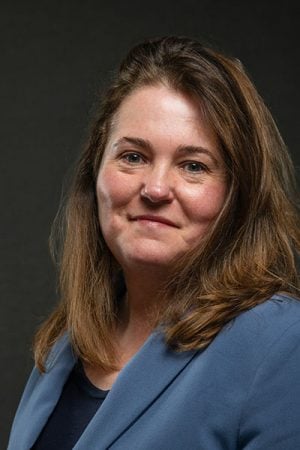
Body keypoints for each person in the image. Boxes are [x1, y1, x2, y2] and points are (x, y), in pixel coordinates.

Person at [8, 36, 300, 450]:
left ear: (239, 193)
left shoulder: (283, 345)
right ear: (96, 172)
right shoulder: (66, 344)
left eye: (193, 166)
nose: (156, 188)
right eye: (133, 156)